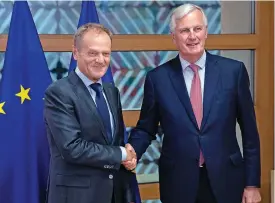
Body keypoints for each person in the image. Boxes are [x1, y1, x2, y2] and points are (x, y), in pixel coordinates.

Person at [127, 3, 261, 203]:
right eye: (184, 30)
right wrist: (131, 150)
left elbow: (250, 133)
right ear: (174, 37)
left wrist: (252, 184)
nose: (192, 36)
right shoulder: (158, 79)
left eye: (197, 29)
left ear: (206, 32)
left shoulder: (233, 72)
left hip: (227, 180)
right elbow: (146, 129)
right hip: (178, 183)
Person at [44, 23, 136, 203]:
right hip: (77, 197)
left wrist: (127, 159)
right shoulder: (59, 92)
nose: (100, 60)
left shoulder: (111, 91)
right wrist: (122, 154)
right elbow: (73, 148)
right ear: (76, 53)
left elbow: (113, 141)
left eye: (106, 53)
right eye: (93, 53)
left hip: (114, 194)